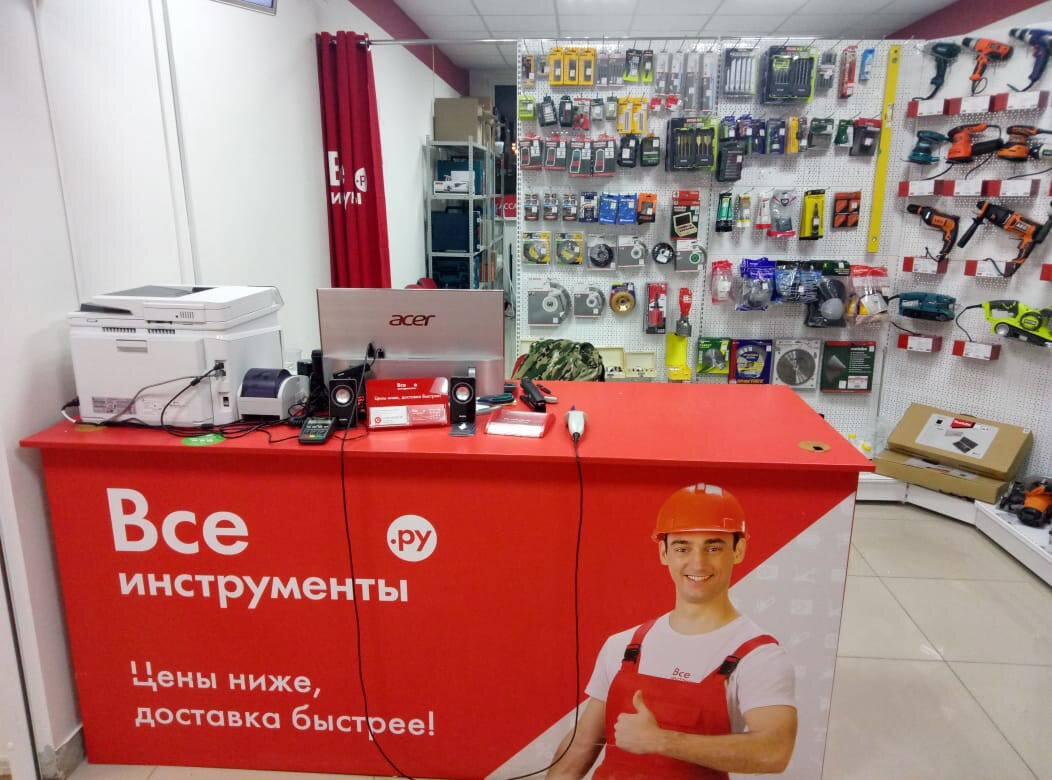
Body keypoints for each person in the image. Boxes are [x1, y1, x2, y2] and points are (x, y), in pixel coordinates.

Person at [549, 483, 797, 779]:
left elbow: (774, 751)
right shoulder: (623, 645)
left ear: (738, 550)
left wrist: (661, 741)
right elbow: (580, 747)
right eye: (682, 548)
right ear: (664, 552)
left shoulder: (759, 655)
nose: (698, 562)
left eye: (714, 547)